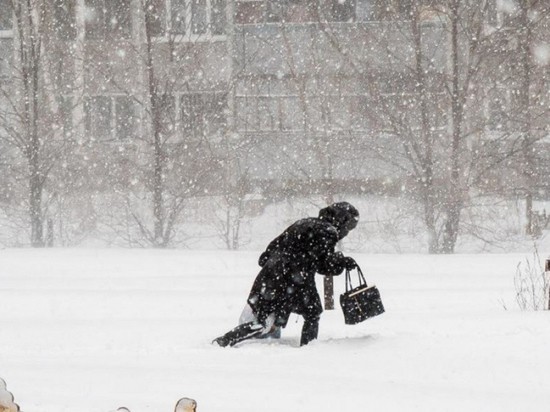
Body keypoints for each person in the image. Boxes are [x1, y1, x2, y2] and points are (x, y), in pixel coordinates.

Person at [213, 202, 359, 347]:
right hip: (296, 278)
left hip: (270, 275)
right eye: (349, 227)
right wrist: (342, 262)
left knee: (266, 318)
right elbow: (322, 264)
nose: (347, 232)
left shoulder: (304, 222)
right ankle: (308, 348)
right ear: (343, 221)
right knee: (312, 313)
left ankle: (227, 340)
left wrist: (277, 265)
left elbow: (268, 252)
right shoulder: (328, 231)